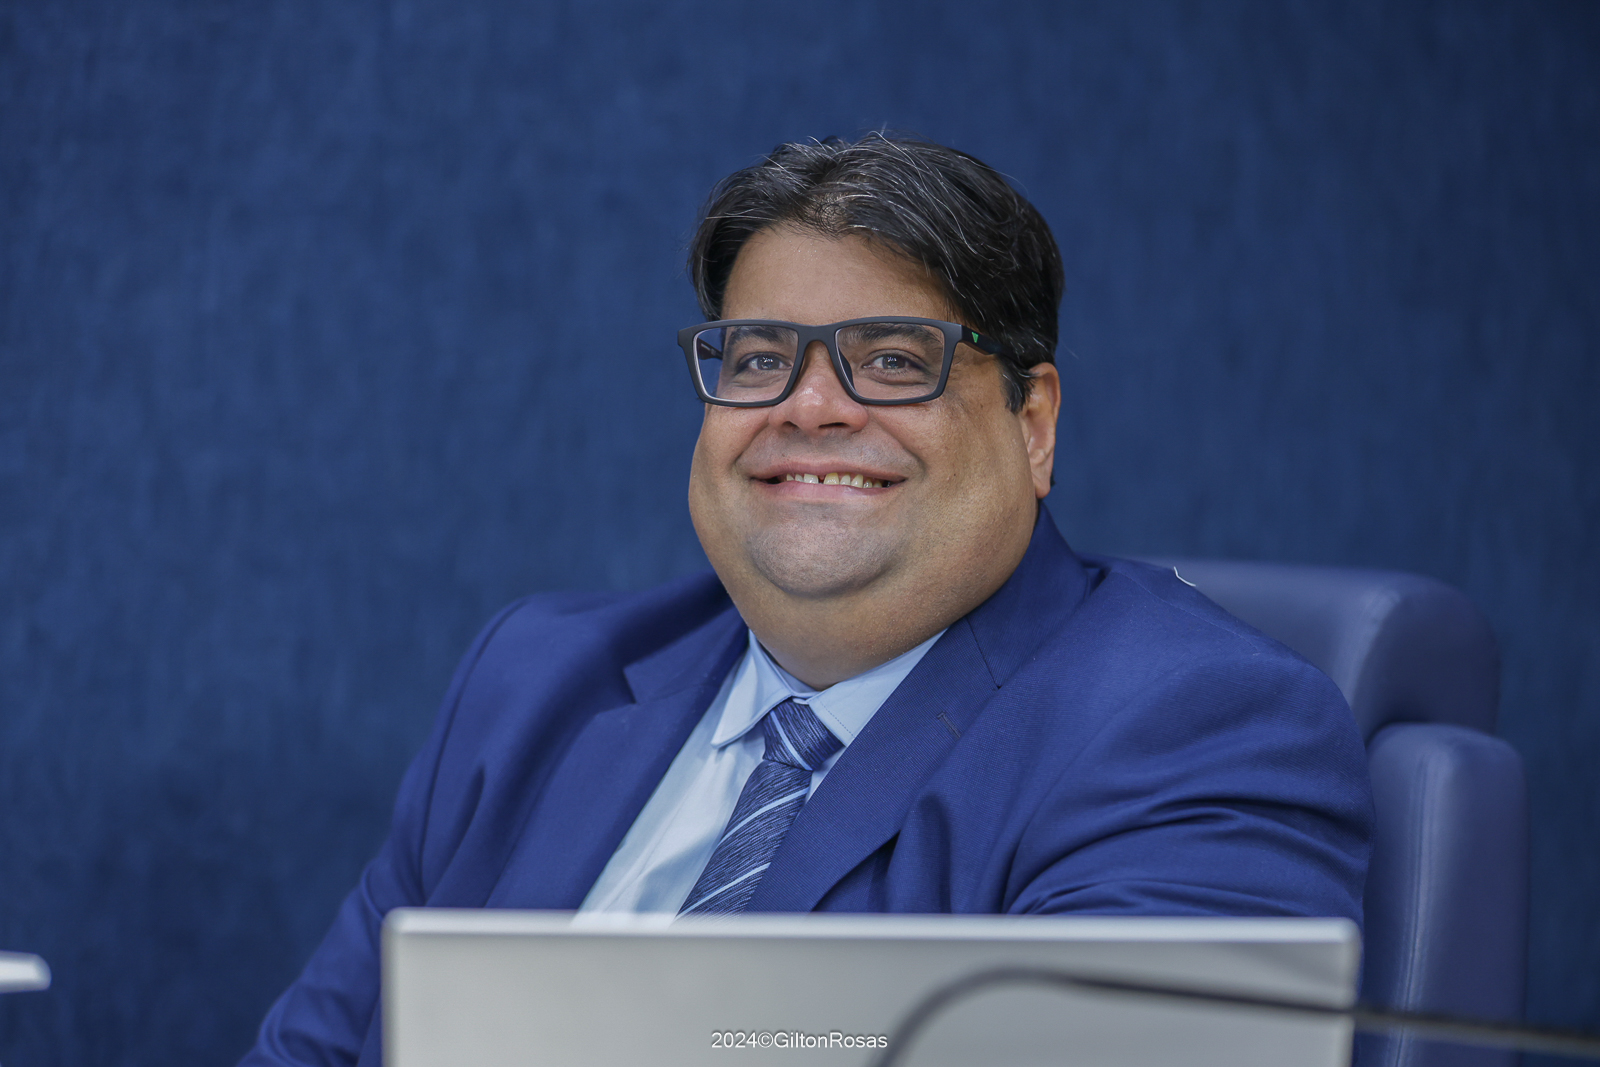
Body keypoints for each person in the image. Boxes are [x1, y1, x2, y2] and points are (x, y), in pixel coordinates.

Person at [240, 134, 1372, 1066]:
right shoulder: (533, 679)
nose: (809, 406)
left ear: (1033, 424)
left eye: (894, 359)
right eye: (757, 358)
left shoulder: (1200, 725)